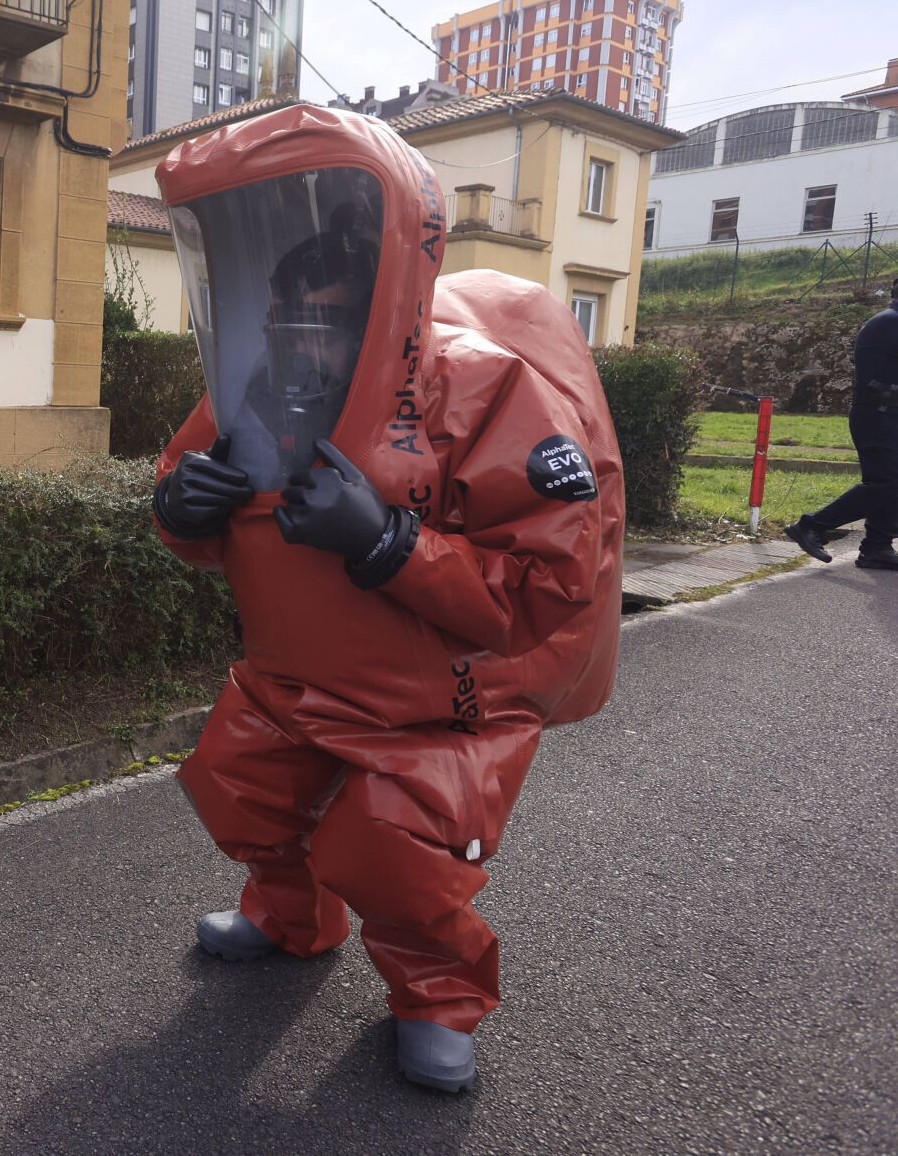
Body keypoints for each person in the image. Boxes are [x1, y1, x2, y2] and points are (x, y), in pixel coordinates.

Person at [151, 103, 624, 1094]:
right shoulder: (251, 388)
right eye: (285, 320)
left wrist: (385, 541)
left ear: (377, 314)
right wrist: (180, 504)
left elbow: (542, 588)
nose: (295, 342)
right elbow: (191, 514)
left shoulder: (483, 392)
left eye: (319, 324)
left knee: (388, 849)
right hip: (292, 676)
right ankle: (289, 914)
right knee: (236, 786)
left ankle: (439, 997)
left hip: (437, 704)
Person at [783, 279, 898, 571]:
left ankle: (877, 548)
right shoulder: (889, 322)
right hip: (877, 415)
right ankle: (811, 526)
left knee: (891, 482)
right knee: (885, 482)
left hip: (887, 414)